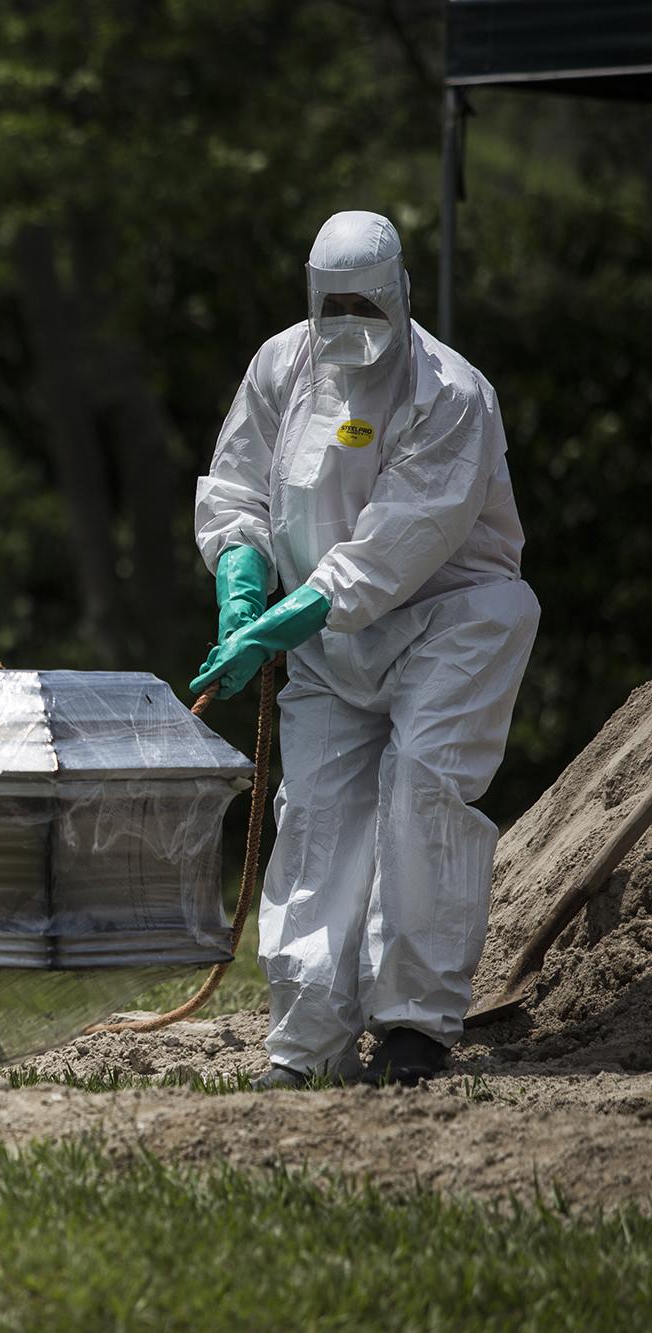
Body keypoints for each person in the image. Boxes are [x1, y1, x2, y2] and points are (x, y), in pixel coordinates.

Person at [193, 210, 539, 1089]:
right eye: (332, 302)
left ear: (400, 295)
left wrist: (288, 616)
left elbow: (396, 546)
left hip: (449, 622)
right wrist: (241, 578)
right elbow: (237, 483)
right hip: (325, 639)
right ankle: (306, 1044)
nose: (349, 321)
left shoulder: (450, 393)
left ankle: (415, 1029)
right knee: (313, 819)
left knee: (419, 796)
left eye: (366, 304)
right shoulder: (281, 364)